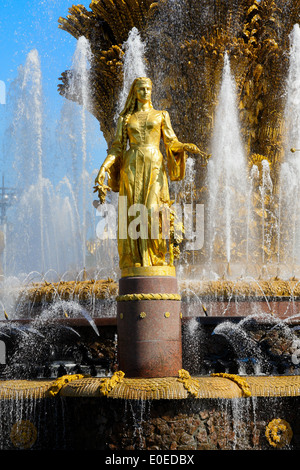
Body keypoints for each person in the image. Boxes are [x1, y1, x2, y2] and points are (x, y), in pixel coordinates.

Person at [94, 77, 200, 270]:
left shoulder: (161, 115)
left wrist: (183, 146)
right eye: (141, 89)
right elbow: (117, 147)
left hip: (154, 166)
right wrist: (104, 168)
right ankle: (135, 260)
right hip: (131, 166)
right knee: (132, 214)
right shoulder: (125, 119)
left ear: (152, 91)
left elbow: (171, 141)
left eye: (148, 89)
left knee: (154, 210)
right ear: (135, 92)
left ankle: (158, 257)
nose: (145, 92)